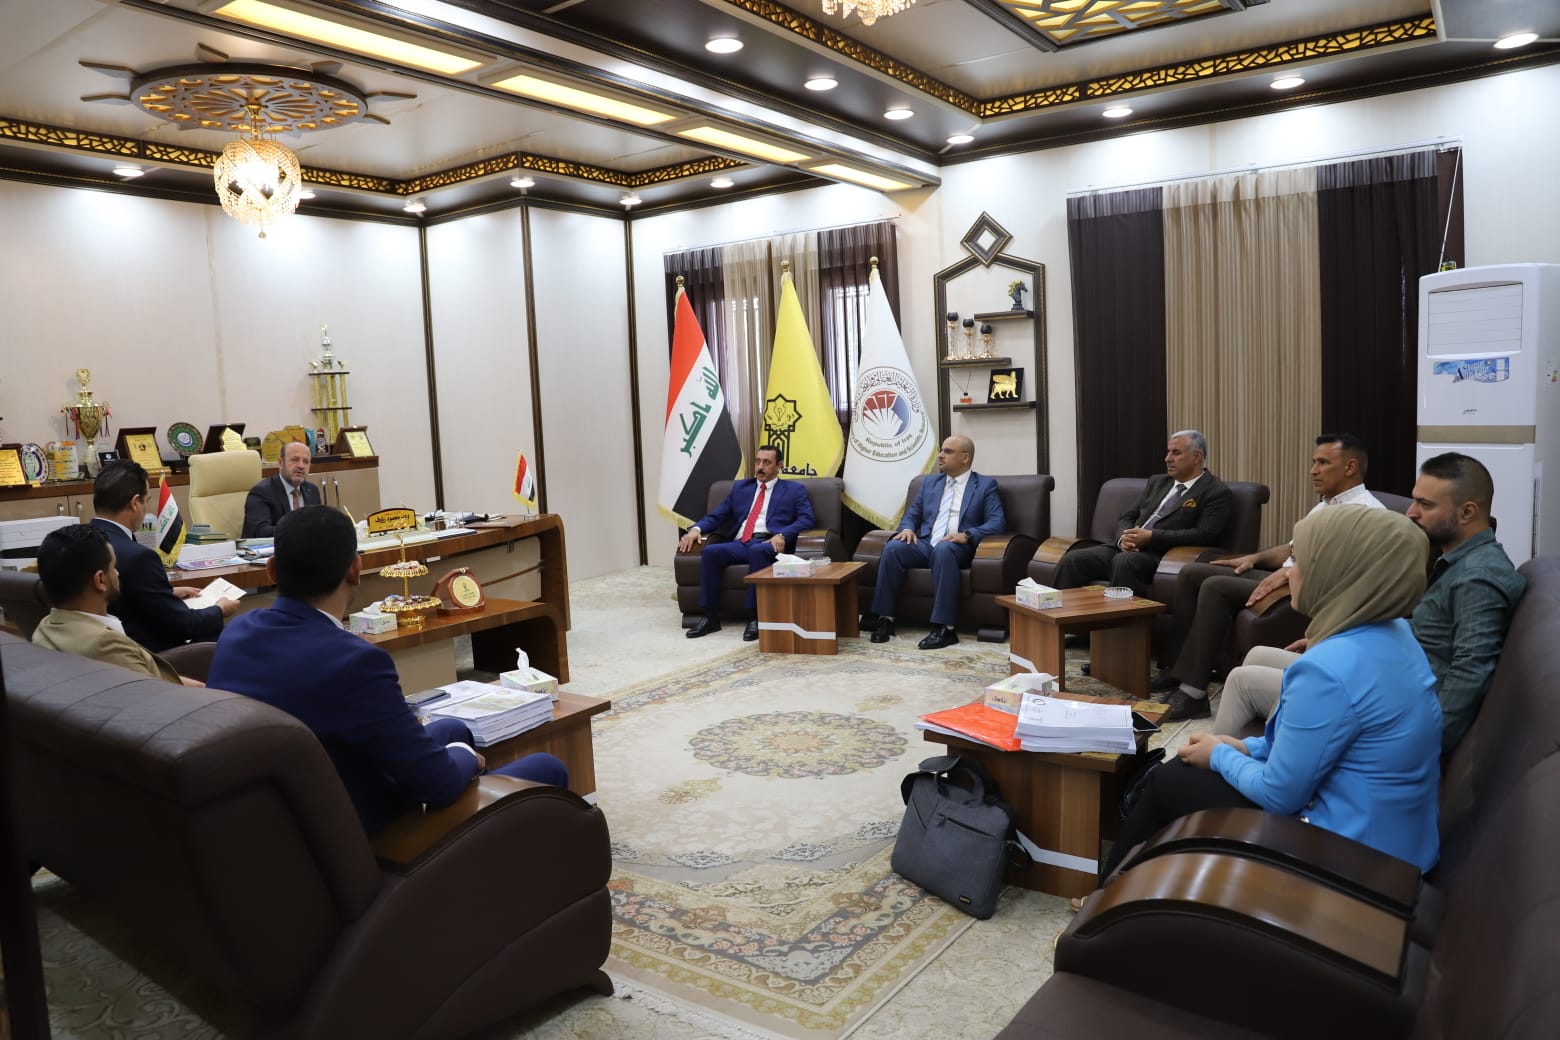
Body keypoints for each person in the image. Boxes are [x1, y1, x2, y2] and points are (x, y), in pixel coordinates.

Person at [1094, 505, 1442, 898]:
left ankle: (1108, 900)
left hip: (1354, 859)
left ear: (1339, 573)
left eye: (1300, 562)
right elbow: (1325, 746)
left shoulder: (1328, 669)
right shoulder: (1395, 634)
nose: (1289, 573)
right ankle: (1136, 885)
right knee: (1188, 768)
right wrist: (1246, 747)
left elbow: (1279, 795)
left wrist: (1220, 755)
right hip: (1401, 846)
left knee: (1170, 780)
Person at [207, 505, 568, 837]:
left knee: (453, 728)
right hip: (366, 836)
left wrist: (455, 748)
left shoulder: (236, 633)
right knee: (546, 768)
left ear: (272, 570)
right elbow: (437, 785)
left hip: (282, 822)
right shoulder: (355, 661)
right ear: (355, 569)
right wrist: (465, 757)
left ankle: (486, 839)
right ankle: (476, 849)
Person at [1213, 453, 1525, 755]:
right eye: (1414, 500)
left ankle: (1216, 769)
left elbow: (1470, 671)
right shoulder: (1458, 563)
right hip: (1386, 675)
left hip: (1394, 699)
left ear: (1467, 512)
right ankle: (1236, 755)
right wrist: (1347, 636)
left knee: (1242, 681)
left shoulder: (1479, 577)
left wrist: (1423, 745)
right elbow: (1432, 629)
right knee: (1258, 655)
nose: (1411, 512)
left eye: (1425, 505)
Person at [1153, 433, 1385, 720]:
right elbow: (1291, 548)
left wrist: (1288, 573)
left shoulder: (1366, 513)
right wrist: (1255, 558)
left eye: (1323, 463)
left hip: (1306, 590)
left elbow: (1342, 572)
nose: (1313, 470)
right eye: (1314, 462)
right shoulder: (1325, 504)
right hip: (1286, 576)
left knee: (1215, 586)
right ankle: (1176, 668)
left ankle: (1193, 694)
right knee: (1192, 573)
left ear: (1350, 467)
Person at [1052, 430, 1233, 598]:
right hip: (1125, 548)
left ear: (1197, 457)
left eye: (1176, 453)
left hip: (1162, 556)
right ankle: (1059, 619)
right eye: (1168, 452)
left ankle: (1120, 623)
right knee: (1073, 559)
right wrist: (1124, 539)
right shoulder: (1158, 482)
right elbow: (1128, 516)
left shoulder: (1215, 492)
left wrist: (1151, 537)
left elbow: (1204, 534)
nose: (1167, 459)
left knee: (1125, 562)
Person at [867, 435, 1004, 651]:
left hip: (958, 547)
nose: (940, 455)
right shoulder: (929, 483)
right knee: (893, 548)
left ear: (965, 458)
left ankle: (945, 628)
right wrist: (907, 529)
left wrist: (967, 534)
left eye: (948, 451)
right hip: (926, 543)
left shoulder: (985, 485)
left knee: (944, 549)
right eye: (941, 450)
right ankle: (885, 619)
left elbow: (997, 522)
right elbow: (912, 514)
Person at [90, 460, 237, 653]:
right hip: (149, 655)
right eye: (147, 500)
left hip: (100, 648)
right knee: (231, 635)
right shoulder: (139, 557)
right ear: (135, 503)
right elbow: (183, 625)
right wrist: (219, 610)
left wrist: (164, 594)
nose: (146, 507)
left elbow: (120, 597)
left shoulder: (79, 540)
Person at [31, 524, 202, 686]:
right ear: (100, 580)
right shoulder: (105, 645)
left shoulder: (45, 627)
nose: (117, 573)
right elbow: (158, 694)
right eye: (113, 567)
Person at [678, 444, 815, 641]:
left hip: (768, 542)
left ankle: (755, 616)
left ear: (779, 466)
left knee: (757, 551)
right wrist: (696, 529)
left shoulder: (794, 490)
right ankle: (710, 616)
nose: (760, 467)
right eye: (758, 462)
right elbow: (717, 516)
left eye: (766, 463)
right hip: (741, 542)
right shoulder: (741, 488)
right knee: (710, 552)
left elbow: (807, 519)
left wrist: (783, 534)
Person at [242, 440, 321, 537]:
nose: (301, 466)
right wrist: (300, 531)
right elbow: (261, 532)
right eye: (295, 460)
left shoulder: (311, 490)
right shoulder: (261, 492)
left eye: (306, 462)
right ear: (280, 463)